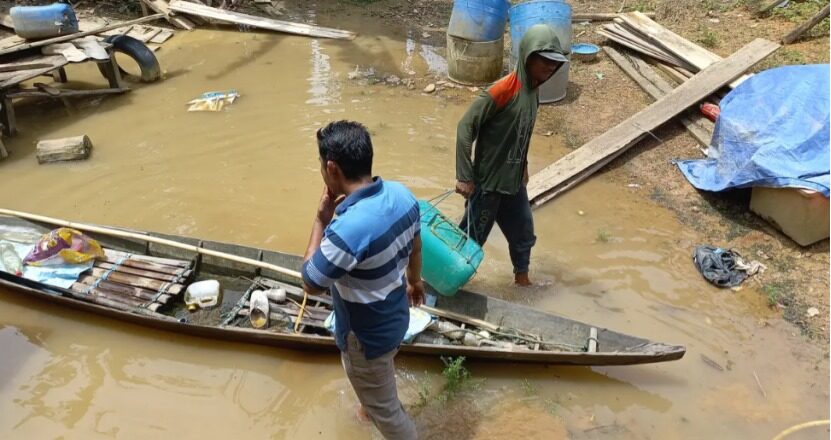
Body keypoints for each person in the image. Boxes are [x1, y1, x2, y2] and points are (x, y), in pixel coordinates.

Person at [301, 120, 422, 440]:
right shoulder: (403, 196)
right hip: (396, 316)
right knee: (379, 388)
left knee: (391, 417)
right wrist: (415, 281)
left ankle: (377, 409)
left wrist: (320, 219)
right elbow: (416, 242)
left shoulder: (347, 230)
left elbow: (311, 280)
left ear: (332, 168)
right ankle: (369, 407)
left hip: (366, 338)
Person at [455, 24, 568, 286]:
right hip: (488, 185)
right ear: (528, 57)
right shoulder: (503, 89)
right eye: (545, 62)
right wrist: (464, 175)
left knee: (523, 235)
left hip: (513, 183)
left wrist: (524, 165)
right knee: (470, 242)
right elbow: (465, 127)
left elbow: (524, 131)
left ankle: (522, 282)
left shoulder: (534, 90)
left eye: (555, 64)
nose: (550, 68)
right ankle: (445, 288)